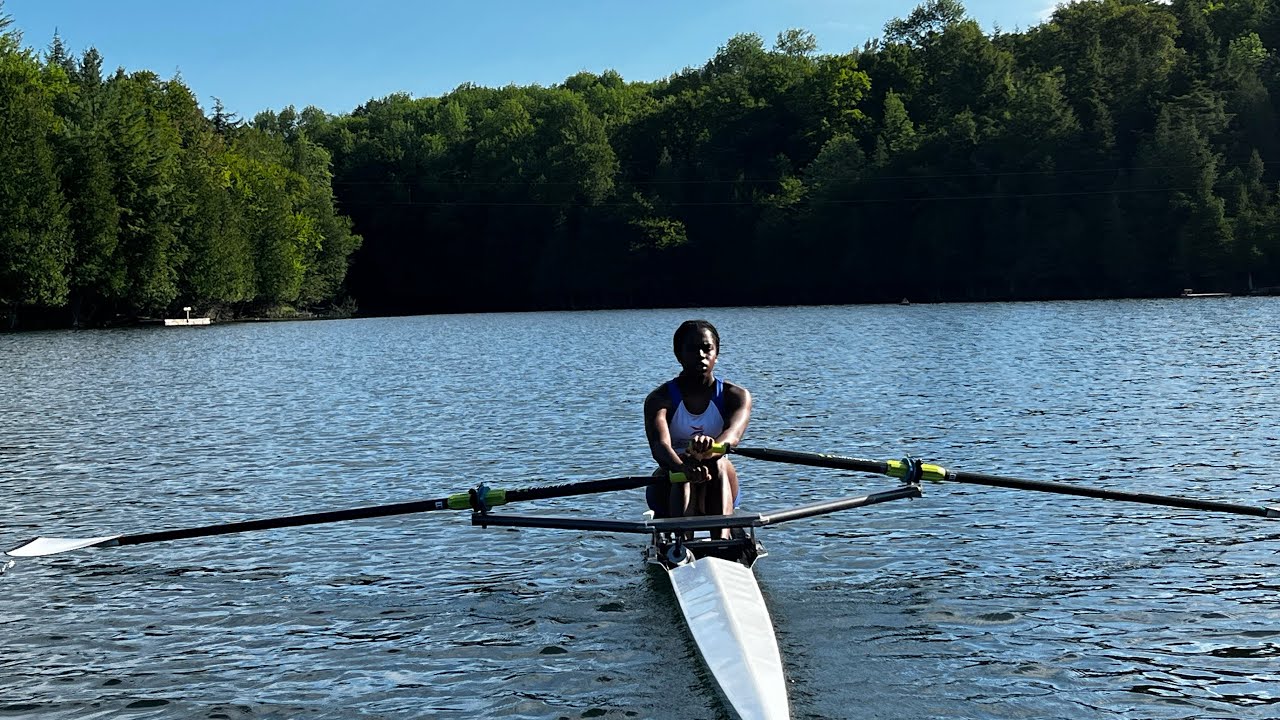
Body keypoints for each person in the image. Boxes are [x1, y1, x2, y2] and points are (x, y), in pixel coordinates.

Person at [644, 320, 752, 523]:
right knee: (685, 467)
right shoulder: (659, 399)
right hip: (672, 477)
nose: (701, 356)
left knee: (718, 462)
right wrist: (683, 467)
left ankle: (721, 540)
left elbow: (733, 435)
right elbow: (660, 446)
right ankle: (680, 539)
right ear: (679, 355)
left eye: (707, 349)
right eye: (692, 350)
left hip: (719, 477)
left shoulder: (736, 396)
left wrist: (711, 448)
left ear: (717, 354)